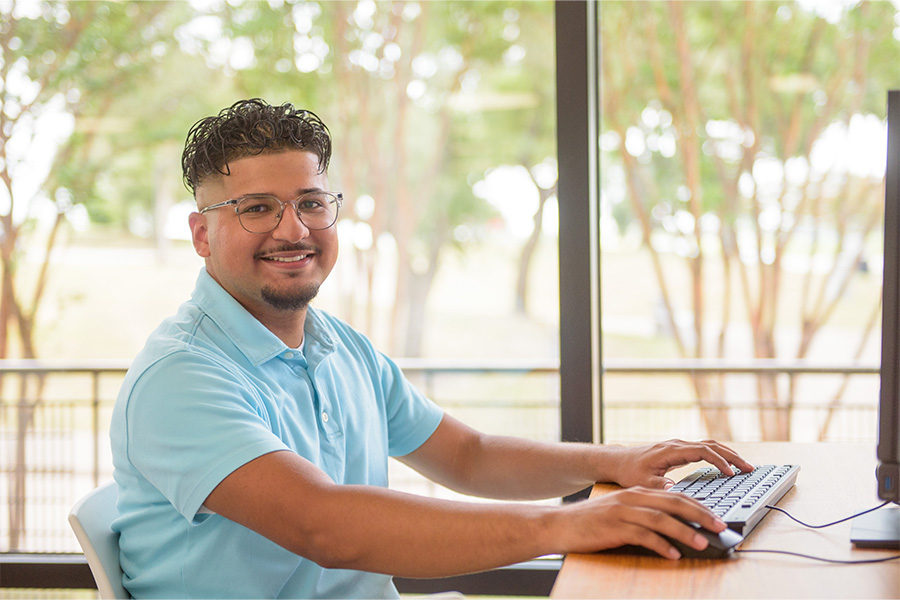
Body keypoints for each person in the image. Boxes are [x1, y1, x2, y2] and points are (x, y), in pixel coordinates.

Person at [110, 98, 754, 599]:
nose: (294, 229)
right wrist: (569, 526)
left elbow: (468, 458)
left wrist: (614, 461)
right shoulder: (182, 376)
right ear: (201, 233)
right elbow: (323, 526)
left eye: (311, 202)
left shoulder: (337, 346)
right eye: (257, 208)